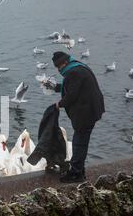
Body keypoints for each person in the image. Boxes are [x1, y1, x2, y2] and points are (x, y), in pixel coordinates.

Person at [45, 51, 105, 183]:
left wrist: (58, 104)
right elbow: (71, 88)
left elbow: (71, 95)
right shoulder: (78, 67)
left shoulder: (73, 72)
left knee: (79, 143)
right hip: (91, 109)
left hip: (86, 112)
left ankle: (76, 173)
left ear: (64, 63)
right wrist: (55, 87)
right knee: (81, 141)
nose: (58, 70)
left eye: (58, 67)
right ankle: (79, 170)